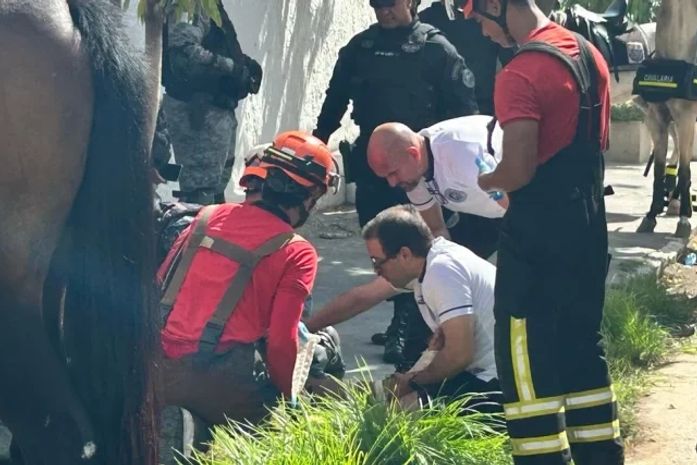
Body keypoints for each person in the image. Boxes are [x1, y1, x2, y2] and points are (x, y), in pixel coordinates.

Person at [463, 1, 623, 464]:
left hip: (537, 240)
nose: (478, 28)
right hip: (589, 229)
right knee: (580, 352)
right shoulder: (588, 54)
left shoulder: (520, 71)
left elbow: (518, 169)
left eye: (477, 16)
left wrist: (489, 179)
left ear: (497, 5)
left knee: (525, 362)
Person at [313, 0, 479, 364]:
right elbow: (335, 98)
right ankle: (401, 319)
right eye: (377, 5)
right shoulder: (361, 48)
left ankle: (413, 324)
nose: (384, 11)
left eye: (391, 4)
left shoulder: (436, 49)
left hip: (419, 172)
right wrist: (317, 142)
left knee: (415, 247)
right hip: (375, 171)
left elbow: (466, 111)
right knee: (384, 249)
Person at [156, 131, 340, 427]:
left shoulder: (205, 217)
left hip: (158, 374)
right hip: (224, 387)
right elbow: (281, 344)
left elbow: (159, 287)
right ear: (308, 197)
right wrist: (289, 399)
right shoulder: (297, 251)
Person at [307, 205, 501, 408]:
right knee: (391, 395)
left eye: (377, 262)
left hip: (496, 380)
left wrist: (413, 381)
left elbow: (459, 354)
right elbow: (360, 298)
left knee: (398, 412)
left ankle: (326, 392)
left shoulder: (442, 271)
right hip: (480, 370)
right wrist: (305, 327)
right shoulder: (428, 261)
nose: (376, 271)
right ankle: (330, 391)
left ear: (404, 255)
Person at [162, 0, 263, 205]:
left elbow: (209, 46)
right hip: (198, 115)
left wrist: (244, 65)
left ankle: (213, 233)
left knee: (214, 190)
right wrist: (231, 67)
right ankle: (200, 235)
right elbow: (183, 53)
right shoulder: (189, 4)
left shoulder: (207, 4)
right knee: (200, 194)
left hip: (216, 112)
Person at [367, 115, 508, 259]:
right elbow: (437, 231)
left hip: (519, 199)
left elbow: (520, 206)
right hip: (488, 211)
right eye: (386, 177)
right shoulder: (414, 174)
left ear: (413, 154)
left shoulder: (464, 156)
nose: (393, 183)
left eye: (394, 173)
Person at [419, 0, 514, 114]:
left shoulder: (488, 14)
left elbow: (512, 67)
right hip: (439, 114)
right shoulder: (424, 23)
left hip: (483, 110)